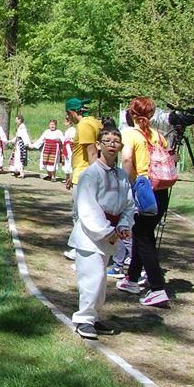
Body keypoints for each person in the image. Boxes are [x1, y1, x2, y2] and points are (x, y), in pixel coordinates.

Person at [69, 127, 133, 340]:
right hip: (90, 236)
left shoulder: (121, 175)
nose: (112, 144)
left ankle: (93, 316)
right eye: (106, 141)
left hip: (110, 233)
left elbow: (127, 204)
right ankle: (83, 319)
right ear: (98, 145)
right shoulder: (90, 174)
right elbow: (87, 208)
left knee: (101, 280)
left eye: (116, 141)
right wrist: (107, 231)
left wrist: (123, 226)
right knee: (92, 277)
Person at [116, 97, 171, 307]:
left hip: (143, 190)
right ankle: (132, 279)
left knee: (143, 237)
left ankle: (157, 288)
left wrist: (125, 185)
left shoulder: (130, 133)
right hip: (161, 192)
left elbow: (128, 159)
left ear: (131, 113)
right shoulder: (157, 135)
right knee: (143, 233)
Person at [63, 98, 103, 261]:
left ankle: (81, 248)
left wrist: (96, 177)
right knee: (82, 213)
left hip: (85, 177)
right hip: (79, 172)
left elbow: (92, 152)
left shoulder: (84, 125)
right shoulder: (94, 122)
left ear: (72, 112)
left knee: (80, 214)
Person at [8, 114, 30, 178]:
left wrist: (27, 143)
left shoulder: (22, 127)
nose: (16, 121)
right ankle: (17, 171)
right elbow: (17, 137)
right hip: (18, 144)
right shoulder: (19, 127)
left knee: (20, 158)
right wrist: (11, 141)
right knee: (16, 157)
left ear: (20, 120)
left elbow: (24, 136)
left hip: (21, 145)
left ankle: (21, 173)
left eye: (17, 119)